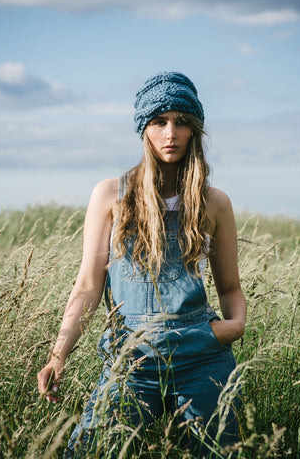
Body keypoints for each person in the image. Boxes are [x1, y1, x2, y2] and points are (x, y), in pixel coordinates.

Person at [37, 71, 246, 458]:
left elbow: (230, 287)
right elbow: (87, 286)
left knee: (217, 453)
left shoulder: (215, 202)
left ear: (194, 129)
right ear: (144, 129)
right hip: (131, 356)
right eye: (159, 122)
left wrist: (233, 326)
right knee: (91, 450)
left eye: (181, 122)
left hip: (202, 354)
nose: (171, 133)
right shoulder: (111, 195)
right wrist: (57, 355)